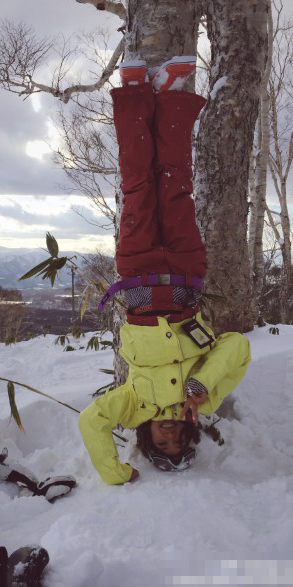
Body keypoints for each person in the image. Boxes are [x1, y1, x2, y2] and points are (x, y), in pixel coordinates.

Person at [79, 56, 251, 484]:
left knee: (138, 187)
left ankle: (136, 93)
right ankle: (171, 95)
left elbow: (91, 422)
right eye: (179, 441)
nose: (170, 435)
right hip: (186, 275)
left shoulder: (132, 406)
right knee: (175, 184)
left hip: (137, 279)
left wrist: (116, 473)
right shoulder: (206, 402)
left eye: (162, 444)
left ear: (147, 437)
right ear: (192, 432)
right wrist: (202, 384)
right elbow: (236, 349)